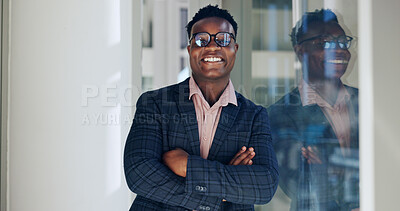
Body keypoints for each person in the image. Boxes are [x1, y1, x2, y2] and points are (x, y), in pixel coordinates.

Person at [124, 5, 279, 211]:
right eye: (201, 40)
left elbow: (265, 185)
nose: (212, 46)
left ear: (235, 49)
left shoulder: (254, 115)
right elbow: (139, 173)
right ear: (190, 50)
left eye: (223, 39)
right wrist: (218, 196)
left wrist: (188, 166)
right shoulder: (155, 104)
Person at [267, 9, 359, 211]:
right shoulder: (280, 114)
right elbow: (298, 184)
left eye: (343, 42)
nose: (339, 50)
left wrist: (326, 166)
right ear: (300, 51)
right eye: (325, 43)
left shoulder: (366, 102)